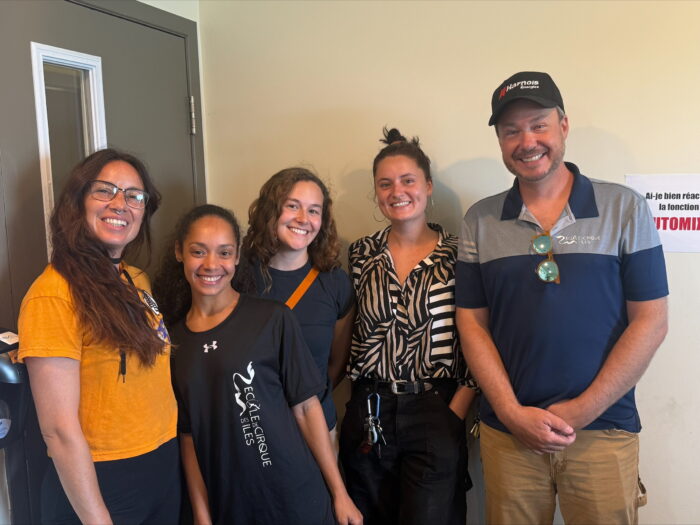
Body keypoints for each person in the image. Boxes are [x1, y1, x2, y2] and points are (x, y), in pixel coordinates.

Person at [456, 71, 669, 524]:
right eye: (511, 131)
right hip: (509, 434)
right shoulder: (479, 221)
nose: (527, 141)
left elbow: (651, 320)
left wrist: (581, 410)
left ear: (564, 126)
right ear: (500, 140)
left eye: (539, 125)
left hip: (603, 430)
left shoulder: (624, 208)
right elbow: (472, 323)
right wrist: (511, 413)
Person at [153, 204, 362, 525]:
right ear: (179, 252)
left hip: (297, 494)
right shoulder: (173, 342)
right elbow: (189, 436)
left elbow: (307, 408)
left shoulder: (272, 319)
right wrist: (202, 514)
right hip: (231, 504)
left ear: (237, 256)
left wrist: (339, 493)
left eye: (224, 252)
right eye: (198, 251)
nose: (211, 264)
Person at [17, 149, 178, 524]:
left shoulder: (137, 279)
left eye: (134, 196)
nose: (120, 204)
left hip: (161, 465)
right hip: (100, 481)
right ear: (77, 202)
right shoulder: (53, 294)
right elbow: (58, 431)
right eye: (105, 190)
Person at [339, 128, 478, 525]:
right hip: (369, 409)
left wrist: (455, 411)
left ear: (428, 186)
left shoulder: (459, 254)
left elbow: (477, 334)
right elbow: (349, 331)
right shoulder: (361, 253)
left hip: (436, 407)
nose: (396, 191)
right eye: (385, 184)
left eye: (407, 180)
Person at [236, 167, 354, 436]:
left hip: (316, 430)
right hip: (253, 428)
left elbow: (337, 363)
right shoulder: (237, 274)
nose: (303, 219)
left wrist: (306, 403)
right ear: (270, 210)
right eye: (292, 206)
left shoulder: (335, 282)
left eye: (313, 210)